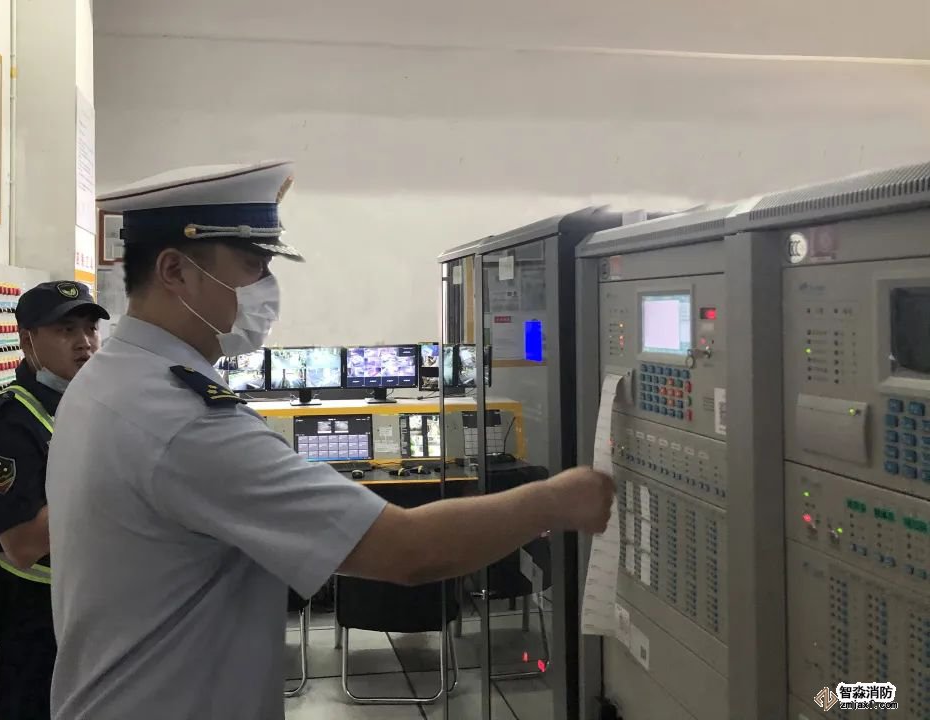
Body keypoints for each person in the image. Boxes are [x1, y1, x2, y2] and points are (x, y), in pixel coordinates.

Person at [45, 161, 614, 720]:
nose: (266, 290)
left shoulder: (107, 377)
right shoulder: (185, 420)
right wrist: (559, 497)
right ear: (174, 271)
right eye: (253, 265)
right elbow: (410, 551)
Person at [0, 281, 109, 719]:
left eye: (90, 328)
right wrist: (116, 484)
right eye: (66, 330)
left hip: (88, 606)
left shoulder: (91, 407)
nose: (84, 342)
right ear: (28, 341)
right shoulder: (7, 424)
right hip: (32, 621)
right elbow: (24, 544)